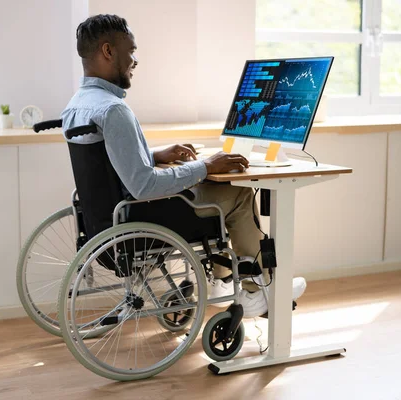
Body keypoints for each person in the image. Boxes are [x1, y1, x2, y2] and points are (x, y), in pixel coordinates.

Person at [61, 14, 306, 317]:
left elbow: (108, 161)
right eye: (131, 51)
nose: (135, 60)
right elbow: (144, 185)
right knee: (239, 194)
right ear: (108, 51)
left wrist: (152, 154)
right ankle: (257, 290)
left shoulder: (78, 104)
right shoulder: (113, 109)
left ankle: (224, 281)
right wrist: (205, 166)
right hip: (140, 218)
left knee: (207, 187)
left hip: (108, 221)